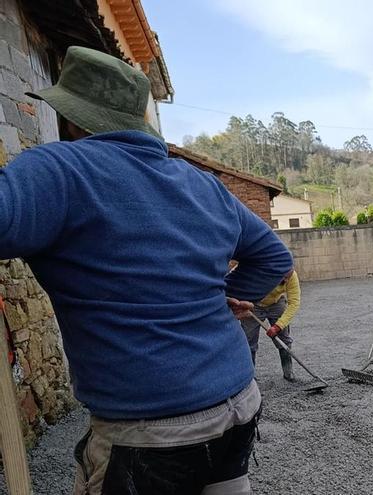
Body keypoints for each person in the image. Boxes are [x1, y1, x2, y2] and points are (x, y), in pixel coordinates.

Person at [0, 46, 292, 493]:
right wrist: (219, 297)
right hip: (237, 402)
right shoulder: (201, 183)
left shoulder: (58, 169)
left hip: (150, 431)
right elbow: (274, 256)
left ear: (72, 119)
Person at [240, 269, 302, 380]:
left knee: (284, 339)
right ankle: (249, 377)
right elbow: (235, 278)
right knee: (248, 341)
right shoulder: (259, 269)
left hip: (276, 303)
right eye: (283, 277)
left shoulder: (292, 276)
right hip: (253, 303)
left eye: (288, 277)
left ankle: (288, 372)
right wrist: (241, 302)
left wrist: (278, 326)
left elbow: (294, 303)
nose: (286, 280)